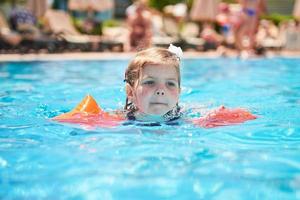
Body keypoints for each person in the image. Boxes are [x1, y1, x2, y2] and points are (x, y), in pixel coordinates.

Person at [54, 45, 256, 127]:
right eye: (150, 82)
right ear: (130, 92)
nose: (161, 90)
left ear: (178, 93)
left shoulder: (186, 119)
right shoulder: (118, 119)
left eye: (170, 84)